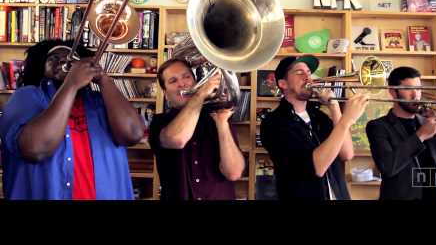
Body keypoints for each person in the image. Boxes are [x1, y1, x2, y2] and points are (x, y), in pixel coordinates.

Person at [0, 39, 145, 200]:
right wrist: (71, 84)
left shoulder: (100, 100)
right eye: (53, 59)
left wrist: (103, 79)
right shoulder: (27, 96)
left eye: (71, 58)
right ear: (40, 68)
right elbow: (35, 149)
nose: (63, 61)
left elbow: (133, 134)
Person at [260, 55, 369, 200]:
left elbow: (347, 154)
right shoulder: (273, 123)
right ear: (283, 84)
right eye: (299, 72)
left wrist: (334, 107)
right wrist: (347, 120)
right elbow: (317, 167)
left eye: (309, 72)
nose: (307, 77)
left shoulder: (320, 117)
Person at [148, 58, 245, 201]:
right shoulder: (158, 123)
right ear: (165, 92)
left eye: (186, 77)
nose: (182, 84)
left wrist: (222, 124)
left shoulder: (217, 117)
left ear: (195, 82)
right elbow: (177, 139)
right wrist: (201, 93)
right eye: (173, 81)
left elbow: (234, 173)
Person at [366, 66, 436, 200]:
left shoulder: (429, 123)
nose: (416, 95)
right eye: (408, 89)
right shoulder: (378, 126)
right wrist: (421, 135)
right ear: (392, 92)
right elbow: (387, 167)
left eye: (419, 88)